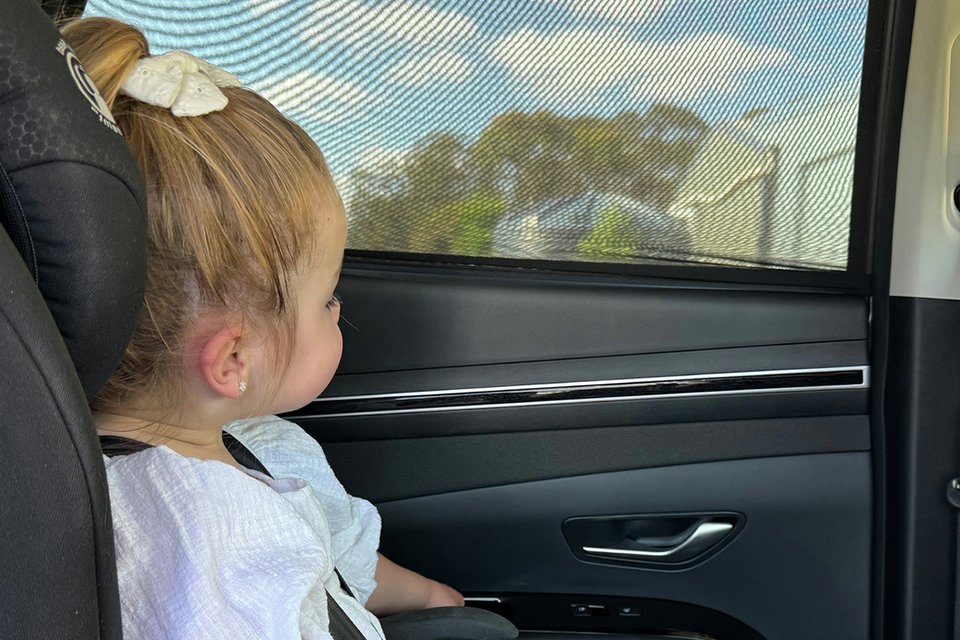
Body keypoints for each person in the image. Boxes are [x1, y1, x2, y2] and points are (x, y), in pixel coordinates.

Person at [61, 16, 462, 639]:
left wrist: (433, 596)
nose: (338, 312)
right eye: (327, 298)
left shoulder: (258, 444)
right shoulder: (227, 553)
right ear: (232, 360)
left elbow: (343, 562)